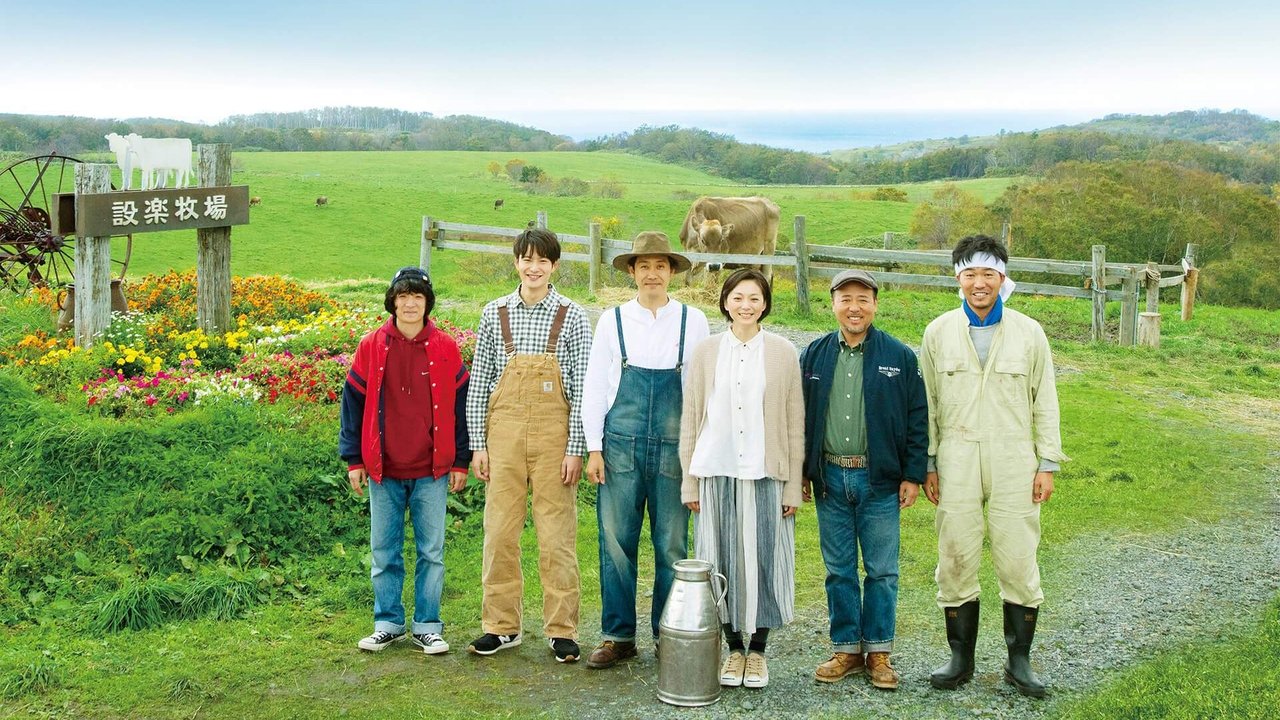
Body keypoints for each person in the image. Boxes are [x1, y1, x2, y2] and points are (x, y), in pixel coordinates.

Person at [920, 235, 1068, 698]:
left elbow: (1045, 400)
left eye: (988, 274)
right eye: (970, 274)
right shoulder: (938, 332)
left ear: (1002, 277)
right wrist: (928, 461)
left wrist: (1047, 462)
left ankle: (1018, 661)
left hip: (1014, 457)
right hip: (956, 456)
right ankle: (960, 658)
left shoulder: (1030, 332)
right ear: (958, 279)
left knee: (1018, 555)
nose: (979, 283)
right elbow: (925, 404)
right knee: (956, 553)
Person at [581, 231, 711, 669]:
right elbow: (596, 386)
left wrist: (697, 453)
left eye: (660, 266)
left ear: (671, 272)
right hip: (620, 444)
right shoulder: (612, 319)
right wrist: (593, 448)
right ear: (632, 273)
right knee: (616, 541)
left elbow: (699, 390)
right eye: (644, 266)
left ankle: (666, 633)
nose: (652, 274)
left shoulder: (693, 320)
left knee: (672, 543)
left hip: (675, 448)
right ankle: (617, 635)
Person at [465, 228, 592, 663]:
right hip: (502, 434)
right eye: (527, 259)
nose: (534, 267)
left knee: (556, 536)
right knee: (499, 531)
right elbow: (480, 382)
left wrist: (576, 447)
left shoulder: (573, 315)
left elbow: (582, 390)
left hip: (555, 438)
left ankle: (561, 630)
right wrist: (476, 445)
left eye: (543, 260)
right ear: (516, 262)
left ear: (554, 266)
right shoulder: (494, 312)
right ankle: (501, 627)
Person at [800, 269, 928, 691]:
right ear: (833, 303)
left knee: (881, 570)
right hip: (831, 477)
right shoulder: (815, 355)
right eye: (845, 298)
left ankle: (878, 653)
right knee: (838, 570)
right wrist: (803, 471)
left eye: (863, 299)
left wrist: (912, 473)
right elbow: (800, 419)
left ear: (875, 304)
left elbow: (916, 419)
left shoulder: (898, 356)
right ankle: (846, 650)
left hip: (879, 480)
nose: (854, 307)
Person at [678, 269, 804, 690]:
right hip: (716, 467)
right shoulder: (707, 351)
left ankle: (759, 651)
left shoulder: (783, 352)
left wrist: (792, 482)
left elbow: (794, 421)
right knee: (721, 557)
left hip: (765, 471)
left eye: (754, 298)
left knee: (764, 558)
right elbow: (692, 417)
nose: (745, 305)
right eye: (737, 297)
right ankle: (733, 648)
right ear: (725, 301)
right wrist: (690, 480)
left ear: (765, 303)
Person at [339, 266, 471, 655]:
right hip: (384, 469)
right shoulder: (372, 345)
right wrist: (353, 459)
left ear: (427, 303)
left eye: (417, 296)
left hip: (432, 470)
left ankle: (427, 625)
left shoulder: (446, 346)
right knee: (384, 550)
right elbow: (353, 405)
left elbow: (461, 406)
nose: (410, 303)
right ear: (392, 301)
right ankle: (389, 622)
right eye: (402, 296)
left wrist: (461, 460)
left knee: (432, 551)